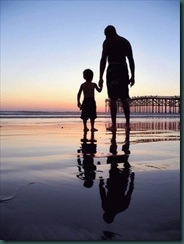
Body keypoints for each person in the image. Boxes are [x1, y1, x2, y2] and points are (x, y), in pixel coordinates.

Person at [99, 25, 135, 131]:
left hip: (112, 70)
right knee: (124, 98)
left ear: (109, 34)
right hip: (123, 69)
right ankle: (127, 123)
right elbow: (131, 60)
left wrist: (100, 77)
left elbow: (103, 60)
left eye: (106, 36)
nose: (105, 38)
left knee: (113, 98)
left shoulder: (107, 43)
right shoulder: (125, 42)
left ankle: (114, 125)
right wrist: (133, 75)